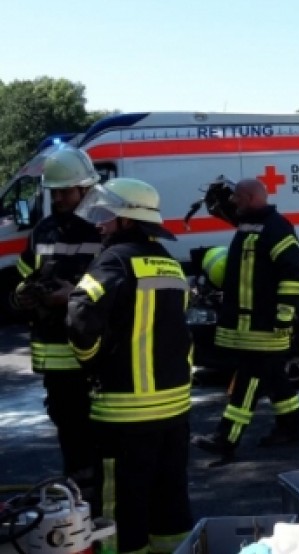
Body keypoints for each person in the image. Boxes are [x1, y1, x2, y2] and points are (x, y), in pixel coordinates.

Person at [66, 177, 194, 554]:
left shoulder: (114, 259)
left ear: (126, 220)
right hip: (174, 408)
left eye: (106, 216)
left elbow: (79, 313)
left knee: (122, 506)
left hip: (124, 410)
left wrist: (91, 362)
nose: (100, 224)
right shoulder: (168, 262)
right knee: (169, 498)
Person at [191, 178, 299, 465]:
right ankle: (291, 427)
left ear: (253, 197)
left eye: (238, 198)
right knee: (274, 377)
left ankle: (226, 438)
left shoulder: (277, 229)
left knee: (248, 379)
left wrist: (284, 315)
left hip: (264, 324)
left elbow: (292, 275)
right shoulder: (249, 224)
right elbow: (234, 215)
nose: (233, 203)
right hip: (248, 322)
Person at [9, 145, 103, 494]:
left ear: (86, 188)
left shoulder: (103, 229)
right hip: (55, 358)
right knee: (72, 441)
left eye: (66, 190)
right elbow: (23, 275)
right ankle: (82, 511)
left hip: (94, 357)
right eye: (55, 191)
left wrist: (73, 295)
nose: (60, 197)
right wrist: (21, 295)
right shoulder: (43, 231)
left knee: (99, 446)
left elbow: (116, 290)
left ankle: (97, 517)